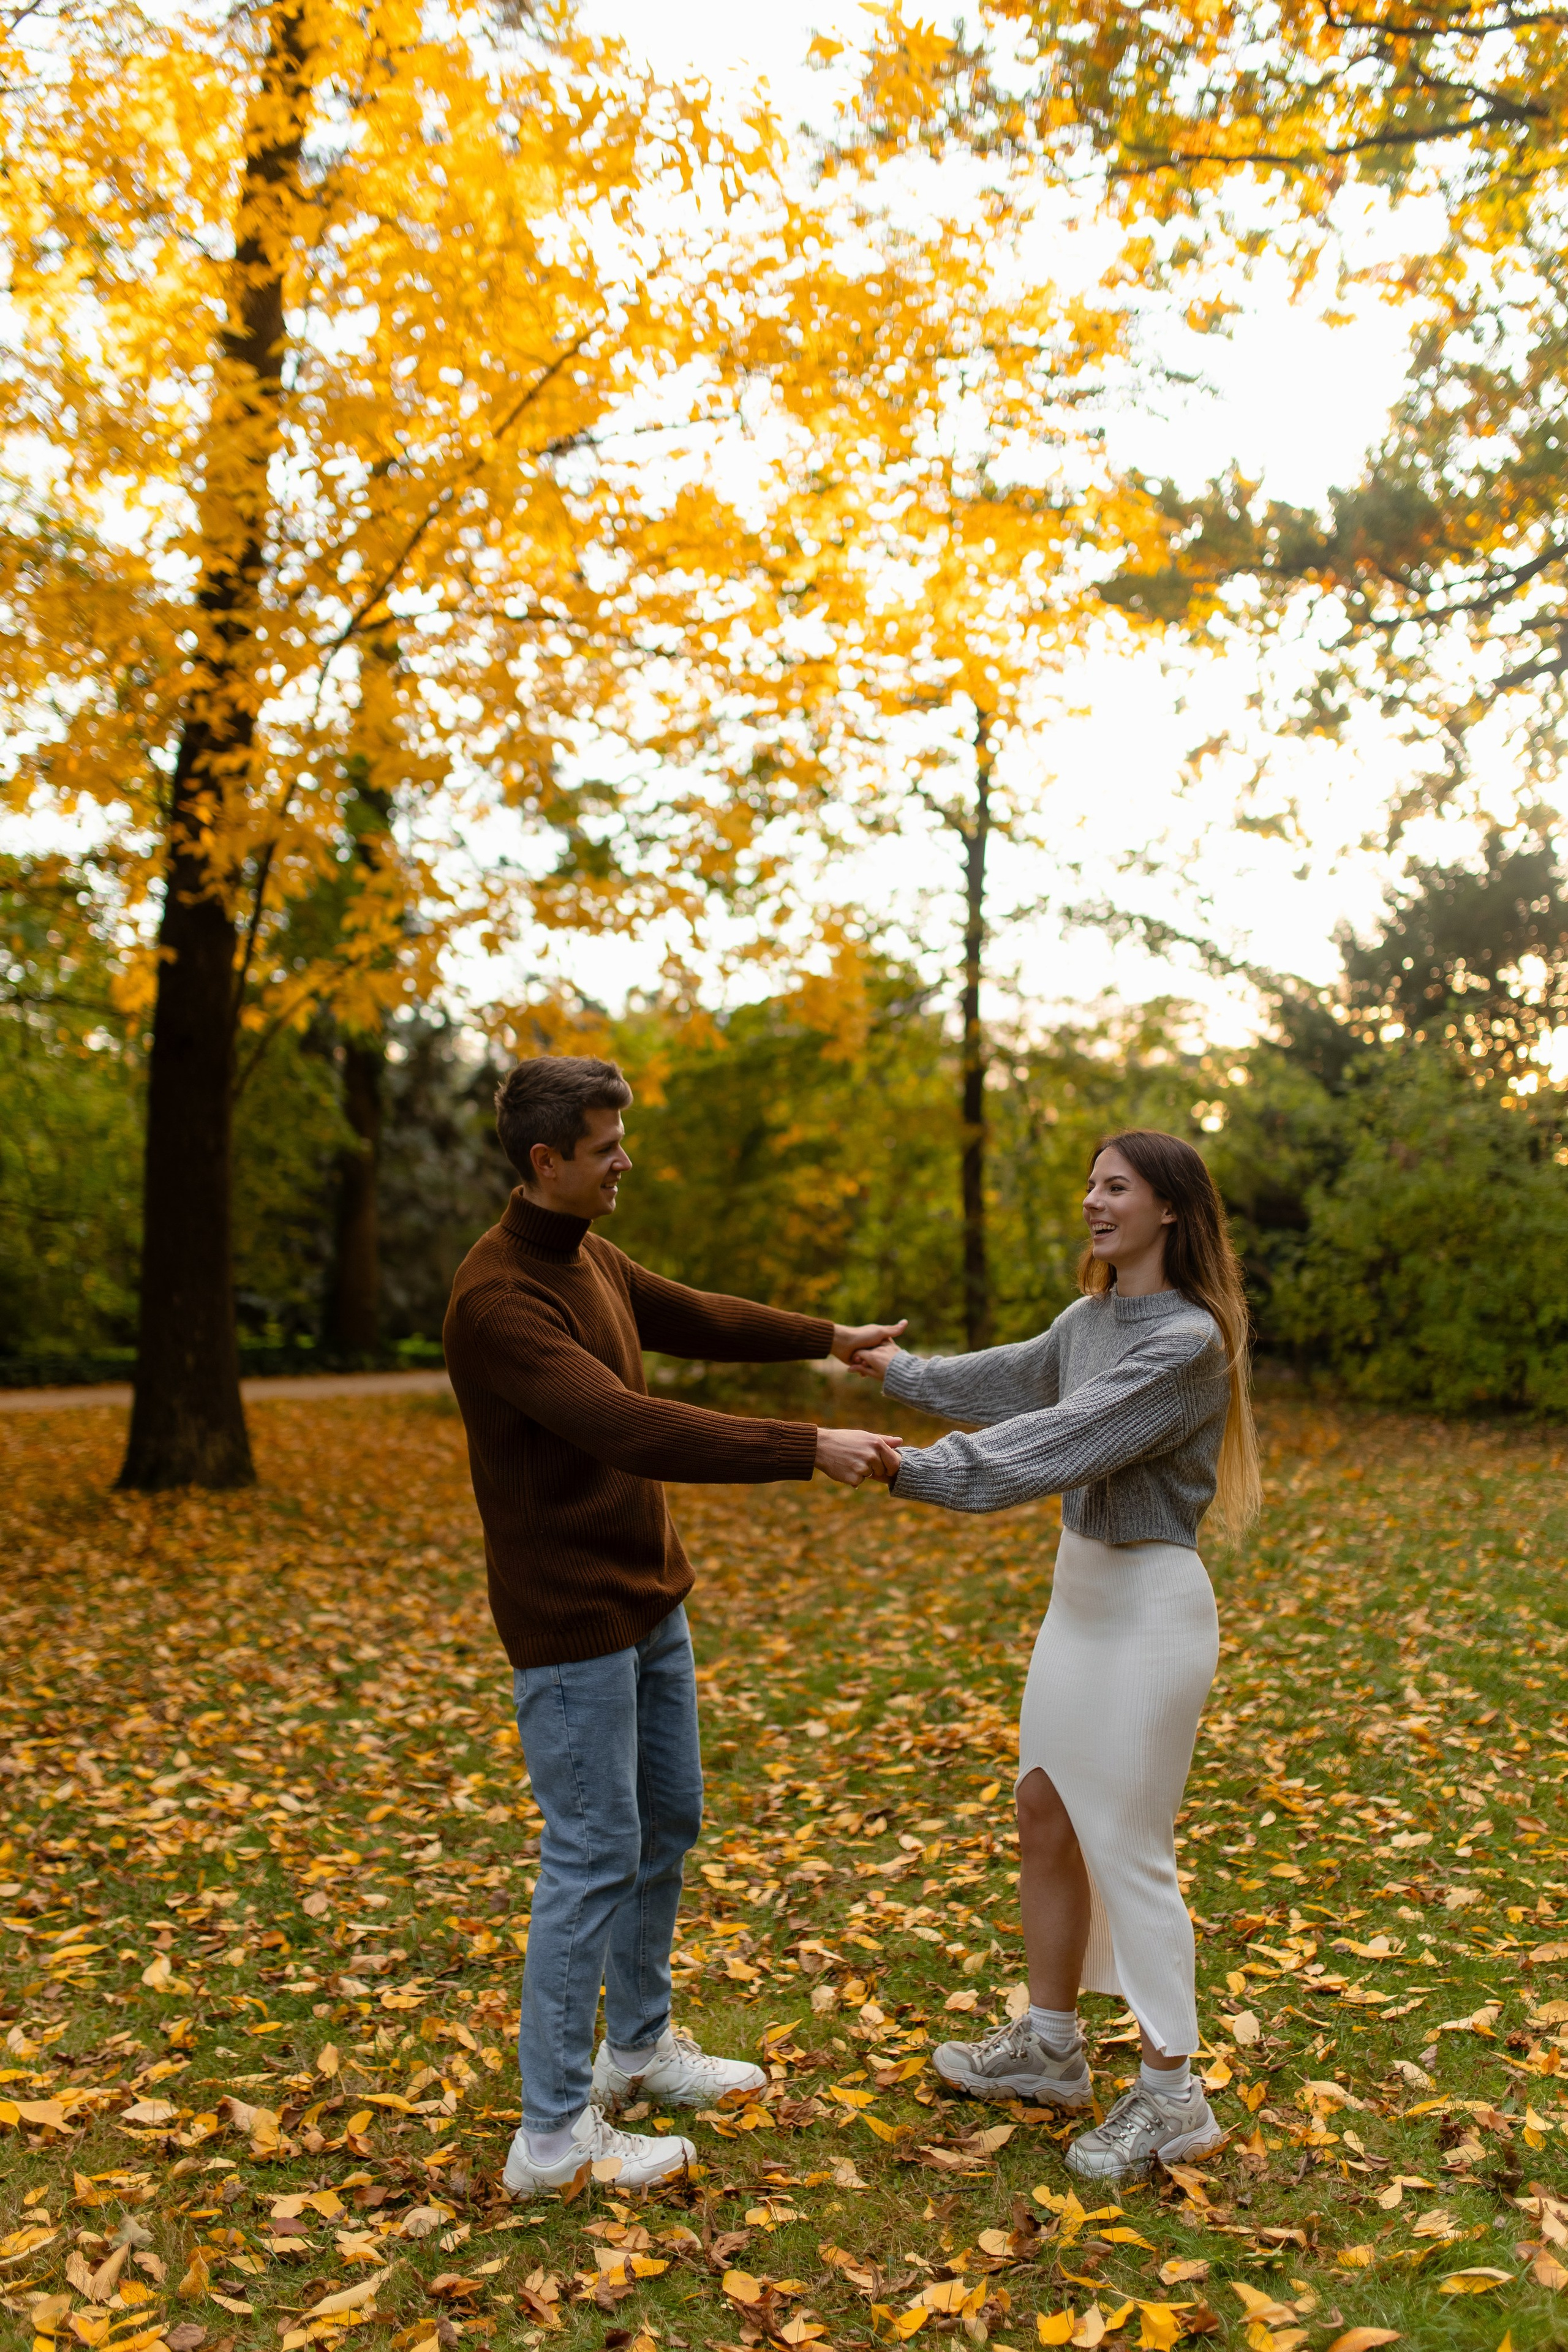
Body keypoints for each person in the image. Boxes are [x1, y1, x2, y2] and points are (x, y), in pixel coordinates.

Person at [443, 1054, 905, 2201]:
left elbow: (682, 1311)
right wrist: (807, 1446)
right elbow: (629, 1426)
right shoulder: (499, 1298)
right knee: (592, 1851)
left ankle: (638, 2051)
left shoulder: (584, 1250)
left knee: (667, 1823)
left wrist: (824, 1336)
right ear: (548, 1160)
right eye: (606, 1147)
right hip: (571, 1620)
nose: (623, 1162)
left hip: (650, 1596)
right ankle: (551, 2136)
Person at [849, 1129, 1259, 2185]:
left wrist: (917, 1474)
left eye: (1114, 1186)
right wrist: (895, 1372)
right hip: (1076, 1604)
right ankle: (1052, 2047)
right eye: (1089, 1183)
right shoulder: (1089, 1319)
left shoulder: (1187, 1343)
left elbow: (1060, 1434)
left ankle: (1175, 2099)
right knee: (1043, 1811)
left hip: (1151, 1612)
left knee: (1128, 1847)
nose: (1093, 1200)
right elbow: (1009, 1382)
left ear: (1169, 1208)